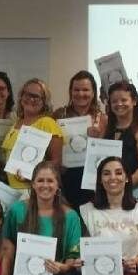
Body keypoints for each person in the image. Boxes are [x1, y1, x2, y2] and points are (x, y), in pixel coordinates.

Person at [2, 161, 81, 275]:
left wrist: (63, 267)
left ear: (58, 185)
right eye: (40, 180)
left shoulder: (70, 216)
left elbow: (73, 254)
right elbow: (7, 244)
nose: (45, 185)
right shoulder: (17, 210)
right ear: (33, 184)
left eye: (50, 181)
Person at [52, 71, 106, 208]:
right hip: (65, 178)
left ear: (93, 93)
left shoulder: (102, 118)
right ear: (70, 91)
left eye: (85, 90)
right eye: (76, 90)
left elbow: (108, 152)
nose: (81, 94)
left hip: (92, 180)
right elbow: (49, 147)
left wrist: (97, 139)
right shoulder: (59, 115)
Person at [2, 79, 63, 190]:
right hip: (13, 190)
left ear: (44, 101)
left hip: (35, 191)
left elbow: (56, 163)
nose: (30, 99)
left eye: (36, 96)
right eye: (27, 94)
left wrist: (34, 175)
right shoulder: (16, 123)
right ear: (21, 97)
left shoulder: (48, 123)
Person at [103, 81, 138, 200]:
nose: (119, 104)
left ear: (134, 101)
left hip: (135, 192)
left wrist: (123, 186)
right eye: (114, 101)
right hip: (109, 192)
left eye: (124, 100)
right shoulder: (106, 127)